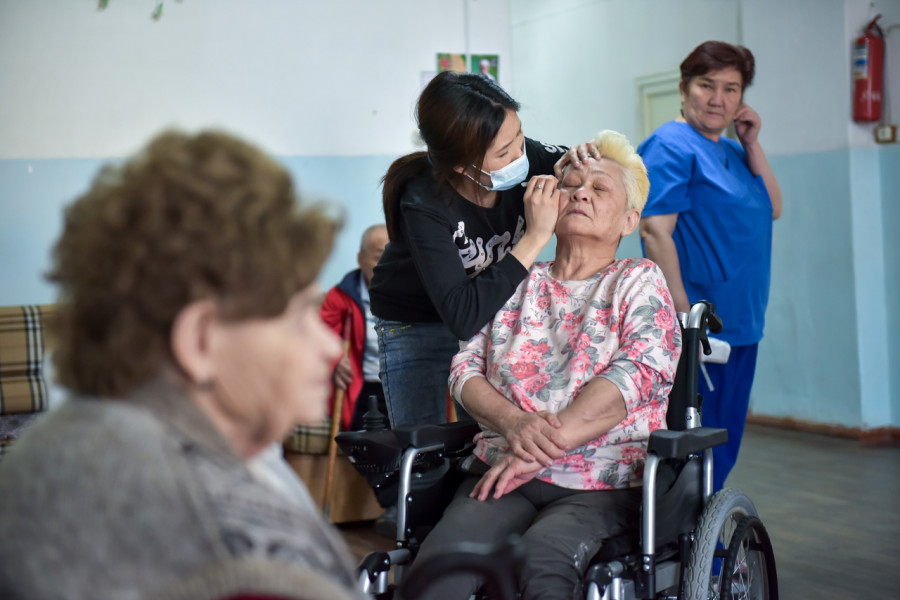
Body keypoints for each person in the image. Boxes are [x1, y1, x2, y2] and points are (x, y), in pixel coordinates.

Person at [0, 131, 366, 600]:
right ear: (199, 340)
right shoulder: (241, 553)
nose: (331, 347)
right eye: (299, 318)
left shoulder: (53, 443)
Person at [413, 130, 682, 600]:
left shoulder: (637, 280)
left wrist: (537, 449)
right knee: (438, 572)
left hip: (600, 479)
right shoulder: (513, 279)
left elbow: (639, 372)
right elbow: (464, 369)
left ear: (630, 219)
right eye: (570, 185)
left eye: (599, 188)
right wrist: (513, 424)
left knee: (542, 564)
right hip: (502, 467)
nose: (580, 193)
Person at [370, 70, 595, 429]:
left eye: (520, 136)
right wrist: (535, 237)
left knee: (485, 437)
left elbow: (593, 174)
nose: (521, 156)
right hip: (415, 321)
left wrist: (592, 157)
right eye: (504, 152)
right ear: (461, 164)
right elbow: (462, 315)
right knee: (422, 443)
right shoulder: (424, 203)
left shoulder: (532, 159)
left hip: (488, 313)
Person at [638, 40, 782, 492]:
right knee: (697, 451)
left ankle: (704, 531)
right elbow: (654, 231)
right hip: (703, 328)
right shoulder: (670, 145)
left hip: (742, 322)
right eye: (706, 85)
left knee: (724, 442)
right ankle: (686, 535)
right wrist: (686, 322)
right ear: (683, 89)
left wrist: (752, 143)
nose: (718, 99)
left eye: (731, 88)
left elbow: (774, 207)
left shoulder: (735, 152)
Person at [320, 224, 390, 431]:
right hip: (361, 388)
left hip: (402, 386)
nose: (385, 265)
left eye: (391, 256)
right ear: (360, 259)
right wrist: (335, 361)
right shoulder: (341, 296)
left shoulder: (410, 294)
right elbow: (321, 335)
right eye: (378, 257)